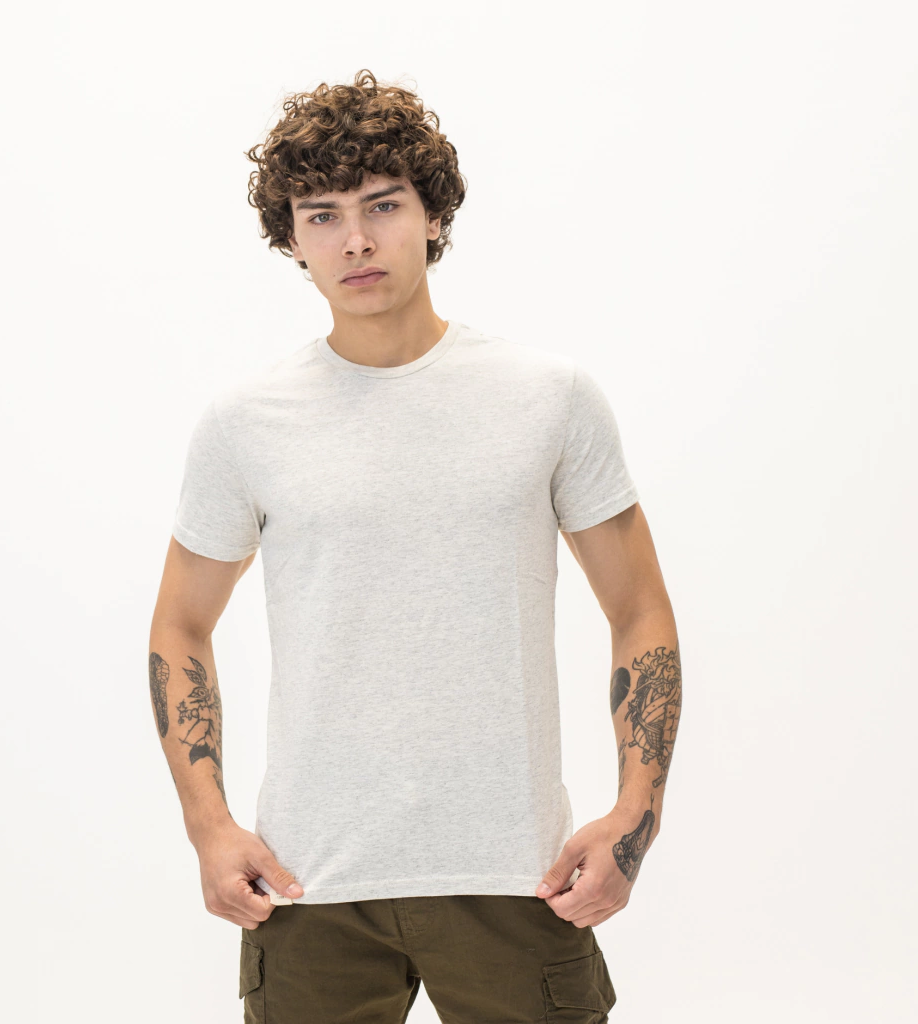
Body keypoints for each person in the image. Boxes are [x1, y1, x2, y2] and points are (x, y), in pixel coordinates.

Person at [149, 68, 682, 1023]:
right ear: (291, 239)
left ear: (433, 217)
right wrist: (209, 828)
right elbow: (180, 625)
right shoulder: (245, 423)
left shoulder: (548, 397)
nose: (355, 240)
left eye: (383, 205)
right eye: (321, 216)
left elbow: (639, 609)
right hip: (308, 886)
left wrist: (634, 817)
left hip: (519, 877)